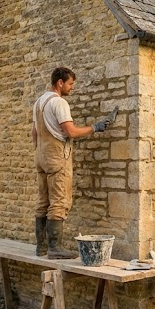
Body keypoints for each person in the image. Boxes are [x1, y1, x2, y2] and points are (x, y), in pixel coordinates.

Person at [31, 67, 111, 259]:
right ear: (60, 82)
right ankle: (55, 249)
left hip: (41, 156)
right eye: (70, 84)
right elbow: (71, 132)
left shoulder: (39, 102)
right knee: (60, 201)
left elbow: (34, 132)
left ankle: (41, 248)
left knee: (44, 201)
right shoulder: (59, 103)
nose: (72, 88)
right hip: (57, 156)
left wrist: (40, 151)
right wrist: (95, 127)